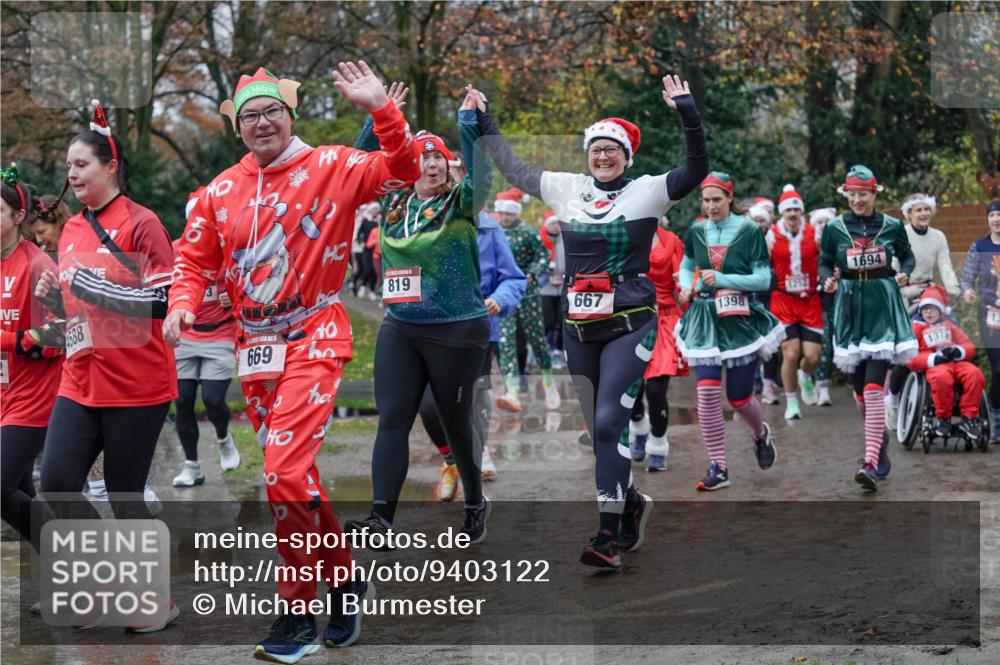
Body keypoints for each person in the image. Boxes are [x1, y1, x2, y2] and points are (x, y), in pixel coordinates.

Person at [165, 63, 421, 662]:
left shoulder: (332, 165)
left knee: (280, 473)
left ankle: (297, 613)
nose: (262, 123)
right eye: (250, 116)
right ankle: (346, 580)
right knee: (296, 477)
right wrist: (181, 304)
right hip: (254, 348)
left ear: (290, 115)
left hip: (314, 333)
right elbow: (192, 261)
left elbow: (404, 169)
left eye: (271, 112)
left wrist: (382, 110)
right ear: (237, 127)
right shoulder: (218, 191)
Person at [477, 74, 709, 568]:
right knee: (602, 432)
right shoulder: (568, 188)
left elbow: (697, 167)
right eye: (596, 149)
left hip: (631, 322)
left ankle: (606, 536)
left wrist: (688, 112)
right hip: (578, 327)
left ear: (627, 156)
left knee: (608, 424)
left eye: (612, 150)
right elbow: (511, 167)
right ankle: (632, 504)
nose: (603, 157)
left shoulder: (648, 191)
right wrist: (484, 121)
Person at [34, 102, 179, 631]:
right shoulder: (72, 228)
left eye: (81, 165)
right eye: (68, 167)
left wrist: (99, 290)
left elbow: (164, 301)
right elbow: (80, 307)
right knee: (57, 481)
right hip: (81, 378)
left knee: (124, 495)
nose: (71, 175)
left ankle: (156, 600)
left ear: (110, 166)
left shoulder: (143, 223)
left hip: (137, 383)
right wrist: (54, 298)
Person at [343, 85, 495, 546]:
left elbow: (482, 174)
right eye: (422, 157)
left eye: (438, 158)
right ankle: (381, 520)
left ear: (449, 166)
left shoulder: (461, 202)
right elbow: (351, 169)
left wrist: (468, 123)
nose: (431, 164)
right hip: (402, 327)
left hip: (457, 329)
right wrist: (379, 115)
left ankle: (475, 503)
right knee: (392, 418)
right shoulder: (392, 204)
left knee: (455, 422)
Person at [675, 171, 783, 491]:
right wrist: (686, 287)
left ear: (730, 198)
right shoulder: (697, 229)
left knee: (739, 399)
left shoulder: (749, 230)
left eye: (716, 200)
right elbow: (687, 266)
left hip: (740, 318)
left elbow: (763, 278)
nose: (710, 206)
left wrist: (723, 280)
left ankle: (760, 434)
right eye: (706, 200)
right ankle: (718, 466)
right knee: (707, 392)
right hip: (705, 317)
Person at [819, 165, 916, 491]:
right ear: (845, 194)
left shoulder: (892, 225)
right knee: (860, 393)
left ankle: (870, 463)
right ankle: (880, 443)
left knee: (874, 388)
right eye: (852, 194)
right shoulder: (834, 228)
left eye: (863, 194)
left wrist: (904, 273)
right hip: (849, 309)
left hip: (882, 308)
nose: (857, 200)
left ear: (875, 194)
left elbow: (907, 257)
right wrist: (827, 279)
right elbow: (824, 261)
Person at [421, 207, 526, 498]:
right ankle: (451, 460)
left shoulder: (489, 228)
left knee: (472, 396)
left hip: (476, 327)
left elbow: (514, 278)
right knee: (428, 405)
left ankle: (480, 453)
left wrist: (499, 299)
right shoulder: (422, 221)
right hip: (428, 327)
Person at [0, 165, 63, 548]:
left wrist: (8, 340)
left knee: (2, 488)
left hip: (33, 397)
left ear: (18, 216)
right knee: (17, 493)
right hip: (3, 395)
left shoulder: (37, 264)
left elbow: (61, 335)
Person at [170, 195, 241, 488]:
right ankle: (192, 466)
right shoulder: (177, 249)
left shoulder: (231, 249)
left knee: (213, 399)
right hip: (186, 334)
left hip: (220, 333)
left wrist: (234, 296)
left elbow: (254, 285)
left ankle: (224, 438)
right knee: (183, 400)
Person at [885, 193, 962, 425]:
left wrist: (953, 289)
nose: (924, 214)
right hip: (904, 292)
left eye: (927, 209)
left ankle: (948, 388)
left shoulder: (938, 237)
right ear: (908, 214)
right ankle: (893, 398)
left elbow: (945, 265)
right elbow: (892, 269)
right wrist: (905, 290)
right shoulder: (900, 234)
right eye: (918, 210)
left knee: (950, 327)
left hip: (928, 293)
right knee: (906, 346)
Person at [494, 187, 561, 412]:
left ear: (516, 212)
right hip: (503, 294)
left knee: (536, 338)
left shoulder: (528, 232)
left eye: (508, 213)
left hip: (527, 292)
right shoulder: (494, 232)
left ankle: (549, 381)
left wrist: (532, 274)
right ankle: (511, 391)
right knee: (506, 340)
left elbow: (543, 256)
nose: (504, 217)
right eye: (502, 213)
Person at [627, 214, 687, 471]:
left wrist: (689, 298)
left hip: (664, 318)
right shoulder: (624, 238)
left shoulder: (671, 241)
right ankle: (639, 427)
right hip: (630, 318)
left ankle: (658, 445)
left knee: (655, 389)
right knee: (631, 388)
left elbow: (683, 279)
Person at [765, 184, 824, 420]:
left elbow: (826, 258)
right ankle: (791, 402)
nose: (792, 214)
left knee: (812, 356)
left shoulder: (814, 233)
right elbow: (762, 262)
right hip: (783, 300)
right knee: (790, 353)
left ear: (801, 212)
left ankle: (805, 375)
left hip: (810, 300)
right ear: (782, 212)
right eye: (788, 210)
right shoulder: (771, 234)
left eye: (796, 210)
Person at [907, 285, 985, 444]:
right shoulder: (916, 329)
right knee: (942, 377)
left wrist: (958, 351)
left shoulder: (949, 326)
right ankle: (943, 418)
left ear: (940, 311)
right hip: (934, 365)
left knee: (975, 374)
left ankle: (969, 418)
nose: (928, 312)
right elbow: (910, 357)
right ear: (921, 311)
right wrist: (933, 358)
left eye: (932, 309)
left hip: (956, 362)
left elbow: (968, 345)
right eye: (925, 309)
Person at [960, 199, 1000, 438]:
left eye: (999, 215)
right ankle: (998, 422)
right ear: (988, 219)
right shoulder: (979, 246)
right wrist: (967, 290)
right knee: (998, 368)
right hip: (990, 315)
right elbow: (967, 277)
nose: (996, 219)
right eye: (992, 215)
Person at [808, 207, 838, 406]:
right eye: (819, 222)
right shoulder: (808, 248)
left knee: (838, 342)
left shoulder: (840, 245)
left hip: (838, 299)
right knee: (823, 343)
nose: (822, 226)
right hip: (814, 301)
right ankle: (822, 385)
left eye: (826, 222)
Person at [538, 210, 566, 369]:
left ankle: (558, 350)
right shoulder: (540, 240)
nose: (555, 227)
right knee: (548, 321)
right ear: (546, 225)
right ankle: (548, 348)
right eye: (552, 224)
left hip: (562, 287)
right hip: (546, 288)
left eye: (557, 224)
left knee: (562, 321)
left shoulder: (565, 239)